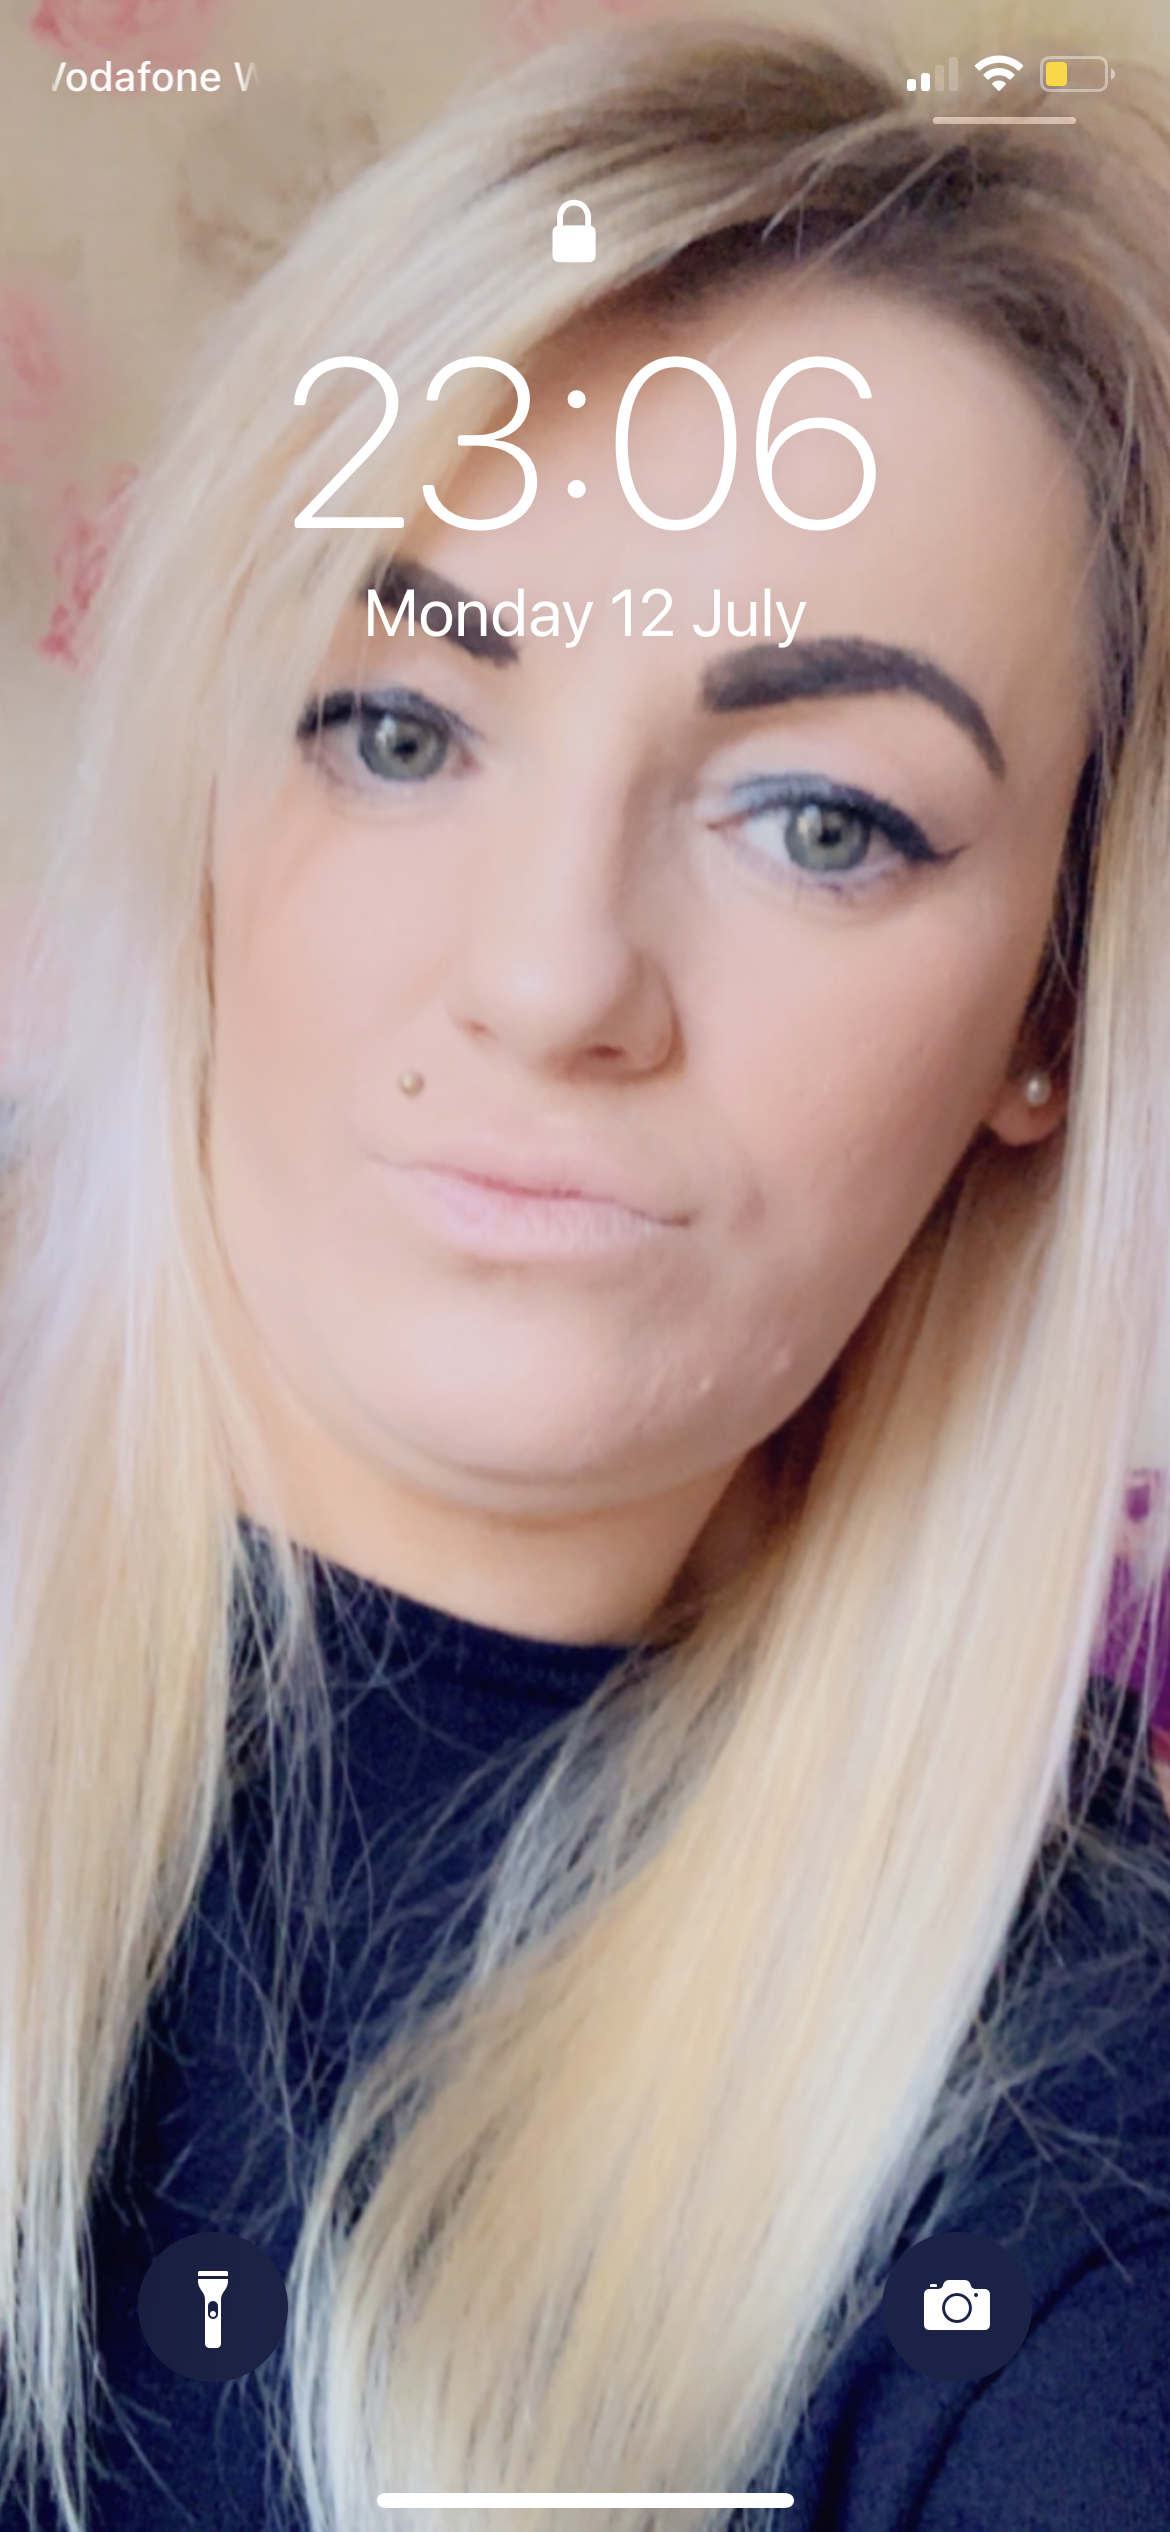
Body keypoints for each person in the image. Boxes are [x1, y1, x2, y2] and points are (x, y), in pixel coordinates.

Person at [2, 20, 1170, 2530]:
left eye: (821, 820)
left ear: (1050, 1015)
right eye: (401, 728)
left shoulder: (1082, 2143)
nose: (553, 983)